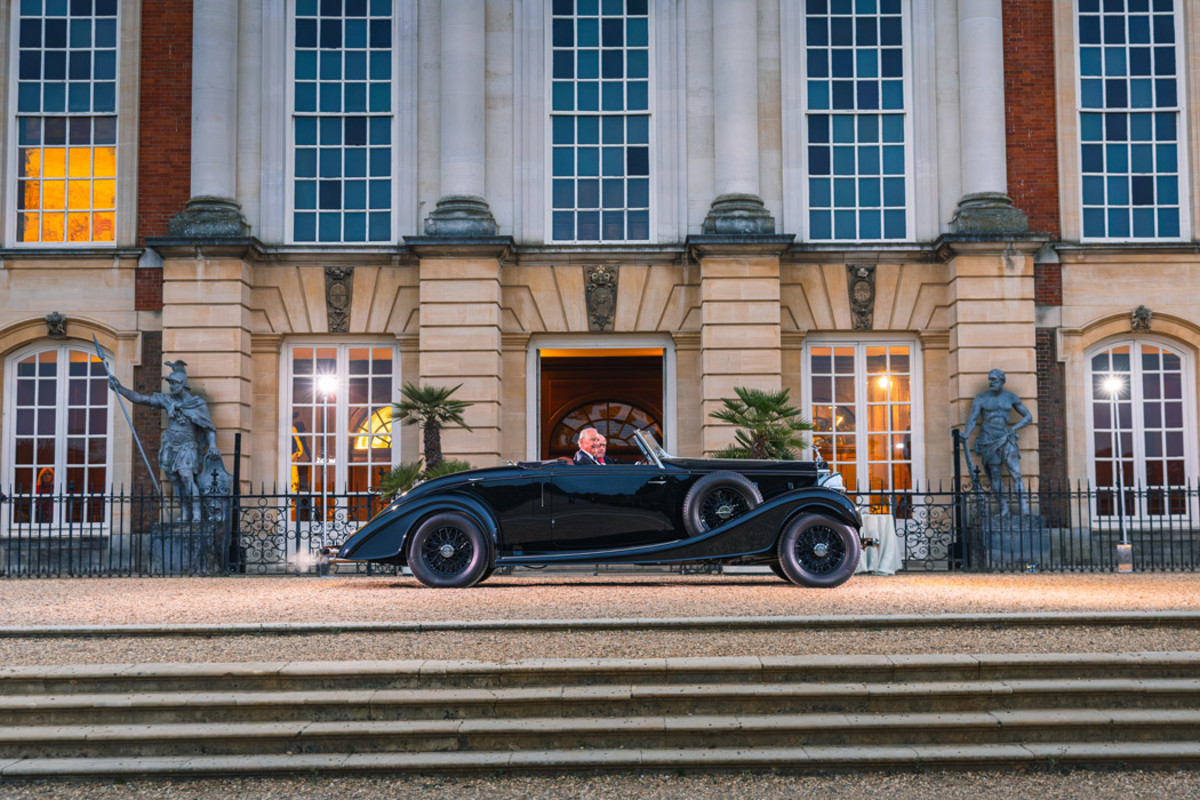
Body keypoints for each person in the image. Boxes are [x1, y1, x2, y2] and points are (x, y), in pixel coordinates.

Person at [108, 360, 220, 522]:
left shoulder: (196, 403)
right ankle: (185, 513)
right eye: (170, 383)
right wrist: (119, 388)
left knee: (186, 476)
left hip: (187, 445)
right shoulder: (167, 400)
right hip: (170, 444)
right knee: (175, 480)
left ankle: (196, 513)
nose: (171, 387)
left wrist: (213, 445)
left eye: (174, 384)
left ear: (182, 384)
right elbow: (140, 399)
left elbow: (208, 427)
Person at [962, 368, 1033, 515]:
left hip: (1006, 438)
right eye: (989, 379)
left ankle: (1024, 508)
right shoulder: (981, 398)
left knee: (1016, 473)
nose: (990, 382)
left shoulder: (1011, 397)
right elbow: (972, 419)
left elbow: (1028, 417)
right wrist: (966, 434)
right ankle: (1004, 508)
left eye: (993, 379)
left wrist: (1014, 428)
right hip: (988, 438)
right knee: (995, 474)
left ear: (1002, 381)